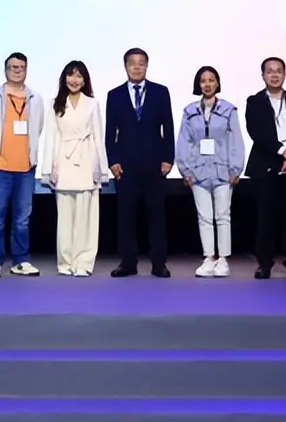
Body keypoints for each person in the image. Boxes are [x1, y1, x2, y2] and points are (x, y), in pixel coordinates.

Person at [106, 48, 174, 278]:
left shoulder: (160, 92)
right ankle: (128, 263)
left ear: (147, 65)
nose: (136, 67)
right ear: (125, 66)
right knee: (126, 217)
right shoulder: (114, 95)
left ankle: (159, 264)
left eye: (141, 63)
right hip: (125, 166)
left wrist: (168, 158)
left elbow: (168, 127)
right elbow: (110, 132)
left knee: (157, 217)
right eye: (132, 63)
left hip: (155, 164)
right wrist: (113, 161)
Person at [0, 52, 45, 278]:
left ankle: (21, 260)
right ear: (5, 70)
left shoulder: (35, 98)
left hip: (26, 168)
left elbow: (38, 127)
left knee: (22, 219)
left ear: (26, 70)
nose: (17, 71)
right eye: (13, 67)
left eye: (21, 67)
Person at [41, 60, 108, 277]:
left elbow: (98, 137)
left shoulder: (92, 104)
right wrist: (49, 168)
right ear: (64, 78)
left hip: (87, 160)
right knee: (65, 218)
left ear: (85, 80)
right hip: (63, 161)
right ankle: (65, 262)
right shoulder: (55, 104)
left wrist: (102, 168)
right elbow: (50, 137)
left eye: (79, 76)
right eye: (71, 75)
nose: (74, 80)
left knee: (86, 218)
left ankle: (84, 262)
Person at [176, 66, 245, 278]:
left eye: (211, 80)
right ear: (198, 84)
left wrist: (236, 168)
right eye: (203, 81)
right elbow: (184, 142)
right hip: (198, 172)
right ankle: (209, 257)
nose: (207, 84)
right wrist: (185, 170)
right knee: (204, 217)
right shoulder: (190, 112)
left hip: (223, 171)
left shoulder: (228, 110)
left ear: (217, 83)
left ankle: (223, 259)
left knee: (223, 216)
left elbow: (236, 140)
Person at [245, 57, 286, 279]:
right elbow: (256, 132)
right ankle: (264, 263)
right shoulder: (254, 102)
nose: (274, 75)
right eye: (270, 71)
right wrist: (282, 152)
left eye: (278, 71)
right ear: (263, 75)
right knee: (265, 219)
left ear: (284, 74)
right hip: (266, 165)